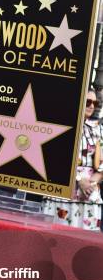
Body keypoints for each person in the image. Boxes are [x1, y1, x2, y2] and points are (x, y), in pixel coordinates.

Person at [43, 88, 103, 231]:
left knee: (86, 243)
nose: (91, 106)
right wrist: (78, 179)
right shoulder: (61, 127)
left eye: (94, 102)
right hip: (63, 189)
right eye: (88, 101)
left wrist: (91, 182)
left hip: (89, 193)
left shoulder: (99, 130)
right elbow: (54, 158)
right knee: (56, 238)